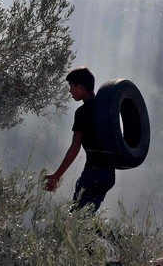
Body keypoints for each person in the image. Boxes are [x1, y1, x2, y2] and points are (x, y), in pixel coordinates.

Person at [43, 66, 115, 213]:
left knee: (77, 219)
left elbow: (75, 147)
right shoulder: (107, 109)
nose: (70, 91)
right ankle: (114, 237)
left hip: (92, 174)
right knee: (85, 219)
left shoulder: (82, 112)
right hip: (108, 175)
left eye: (71, 86)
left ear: (81, 88)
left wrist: (57, 175)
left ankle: (116, 237)